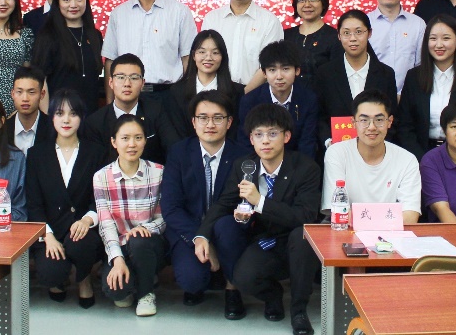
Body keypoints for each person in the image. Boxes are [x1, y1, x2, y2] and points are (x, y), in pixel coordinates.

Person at [197, 105, 320, 335]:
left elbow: (306, 216)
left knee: (302, 236)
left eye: (273, 133)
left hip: (296, 241)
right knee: (243, 278)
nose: (265, 141)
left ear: (286, 136)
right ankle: (272, 295)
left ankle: (299, 312)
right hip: (265, 242)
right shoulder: (245, 166)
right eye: (259, 134)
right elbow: (223, 204)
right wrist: (202, 235)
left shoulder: (305, 168)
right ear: (251, 139)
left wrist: (259, 202)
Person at [161, 91, 246, 314]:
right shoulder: (179, 152)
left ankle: (232, 287)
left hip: (226, 229)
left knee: (227, 227)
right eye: (203, 118)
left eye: (218, 118)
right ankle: (205, 275)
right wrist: (198, 237)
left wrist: (209, 234)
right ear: (193, 122)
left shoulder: (242, 156)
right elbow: (171, 207)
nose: (210, 124)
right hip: (189, 229)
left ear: (229, 122)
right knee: (191, 280)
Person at [26, 89, 107, 307]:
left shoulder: (96, 153)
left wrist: (87, 220)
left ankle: (83, 278)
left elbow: (101, 197)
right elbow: (33, 204)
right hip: (51, 229)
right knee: (50, 273)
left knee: (81, 245)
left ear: (82, 117)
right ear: (51, 117)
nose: (66, 120)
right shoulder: (36, 155)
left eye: (73, 114)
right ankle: (59, 279)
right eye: (60, 113)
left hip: (82, 229)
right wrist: (48, 236)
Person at [94, 115, 167, 316]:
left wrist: (144, 229)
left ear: (145, 140)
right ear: (114, 142)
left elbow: (163, 218)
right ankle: (136, 279)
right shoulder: (101, 177)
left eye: (138, 138)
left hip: (149, 244)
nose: (132, 144)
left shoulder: (158, 172)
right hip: (120, 246)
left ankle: (146, 293)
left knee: (139, 240)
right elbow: (106, 225)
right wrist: (117, 259)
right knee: (116, 291)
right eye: (125, 138)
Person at [395, 15, 456, 159]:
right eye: (433, 38)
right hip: (420, 155)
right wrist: (423, 160)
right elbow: (405, 126)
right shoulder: (414, 77)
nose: (439, 45)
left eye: (446, 38)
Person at [101, 0, 198, 93]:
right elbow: (110, 60)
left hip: (169, 94)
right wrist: (111, 102)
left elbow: (188, 59)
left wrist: (187, 97)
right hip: (127, 93)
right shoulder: (119, 14)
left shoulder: (180, 12)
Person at [323, 90, 421, 223]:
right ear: (353, 122)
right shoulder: (337, 153)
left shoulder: (407, 160)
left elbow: (410, 217)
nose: (372, 127)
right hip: (347, 231)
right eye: (364, 120)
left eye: (379, 120)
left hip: (393, 234)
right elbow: (339, 212)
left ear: (390, 121)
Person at [313, 10, 397, 148]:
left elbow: (393, 117)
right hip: (337, 149)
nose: (353, 38)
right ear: (339, 36)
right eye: (346, 33)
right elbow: (319, 116)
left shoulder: (386, 74)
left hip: (376, 149)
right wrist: (329, 142)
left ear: (369, 33)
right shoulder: (325, 73)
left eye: (359, 32)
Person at [83, 54, 184, 164]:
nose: (127, 84)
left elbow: (174, 149)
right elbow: (94, 163)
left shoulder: (156, 111)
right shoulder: (95, 122)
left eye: (134, 78)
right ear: (111, 82)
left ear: (142, 83)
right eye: (121, 77)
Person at [202, 0, 284, 91]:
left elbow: (270, 64)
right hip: (216, 93)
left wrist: (245, 94)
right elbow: (205, 58)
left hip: (255, 93)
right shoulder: (212, 19)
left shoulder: (269, 21)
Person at [30, 0, 105, 113]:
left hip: (91, 116)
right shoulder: (48, 36)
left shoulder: (95, 36)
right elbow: (40, 81)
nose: (73, 5)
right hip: (59, 117)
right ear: (58, 2)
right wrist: (48, 117)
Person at [235, 42, 319, 157]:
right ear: (264, 73)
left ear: (297, 71)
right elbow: (245, 143)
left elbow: (307, 142)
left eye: (285, 69)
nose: (279, 76)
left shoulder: (308, 99)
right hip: (260, 162)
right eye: (272, 70)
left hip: (296, 163)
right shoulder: (250, 101)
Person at [168, 30, 242, 134]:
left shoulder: (237, 92)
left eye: (215, 53)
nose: (208, 57)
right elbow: (176, 133)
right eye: (202, 52)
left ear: (222, 57)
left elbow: (236, 132)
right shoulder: (177, 91)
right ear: (193, 55)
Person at [366, 0, 425, 92]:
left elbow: (421, 66)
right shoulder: (364, 23)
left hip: (408, 96)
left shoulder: (418, 24)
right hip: (372, 97)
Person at [282, 0, 338, 81]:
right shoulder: (286, 36)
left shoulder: (334, 37)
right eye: (302, 0)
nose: (307, 5)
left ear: (323, 3)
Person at [10, 65, 49, 155]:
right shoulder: (3, 129)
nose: (25, 98)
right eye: (19, 92)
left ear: (42, 94)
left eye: (31, 92)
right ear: (12, 94)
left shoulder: (52, 128)